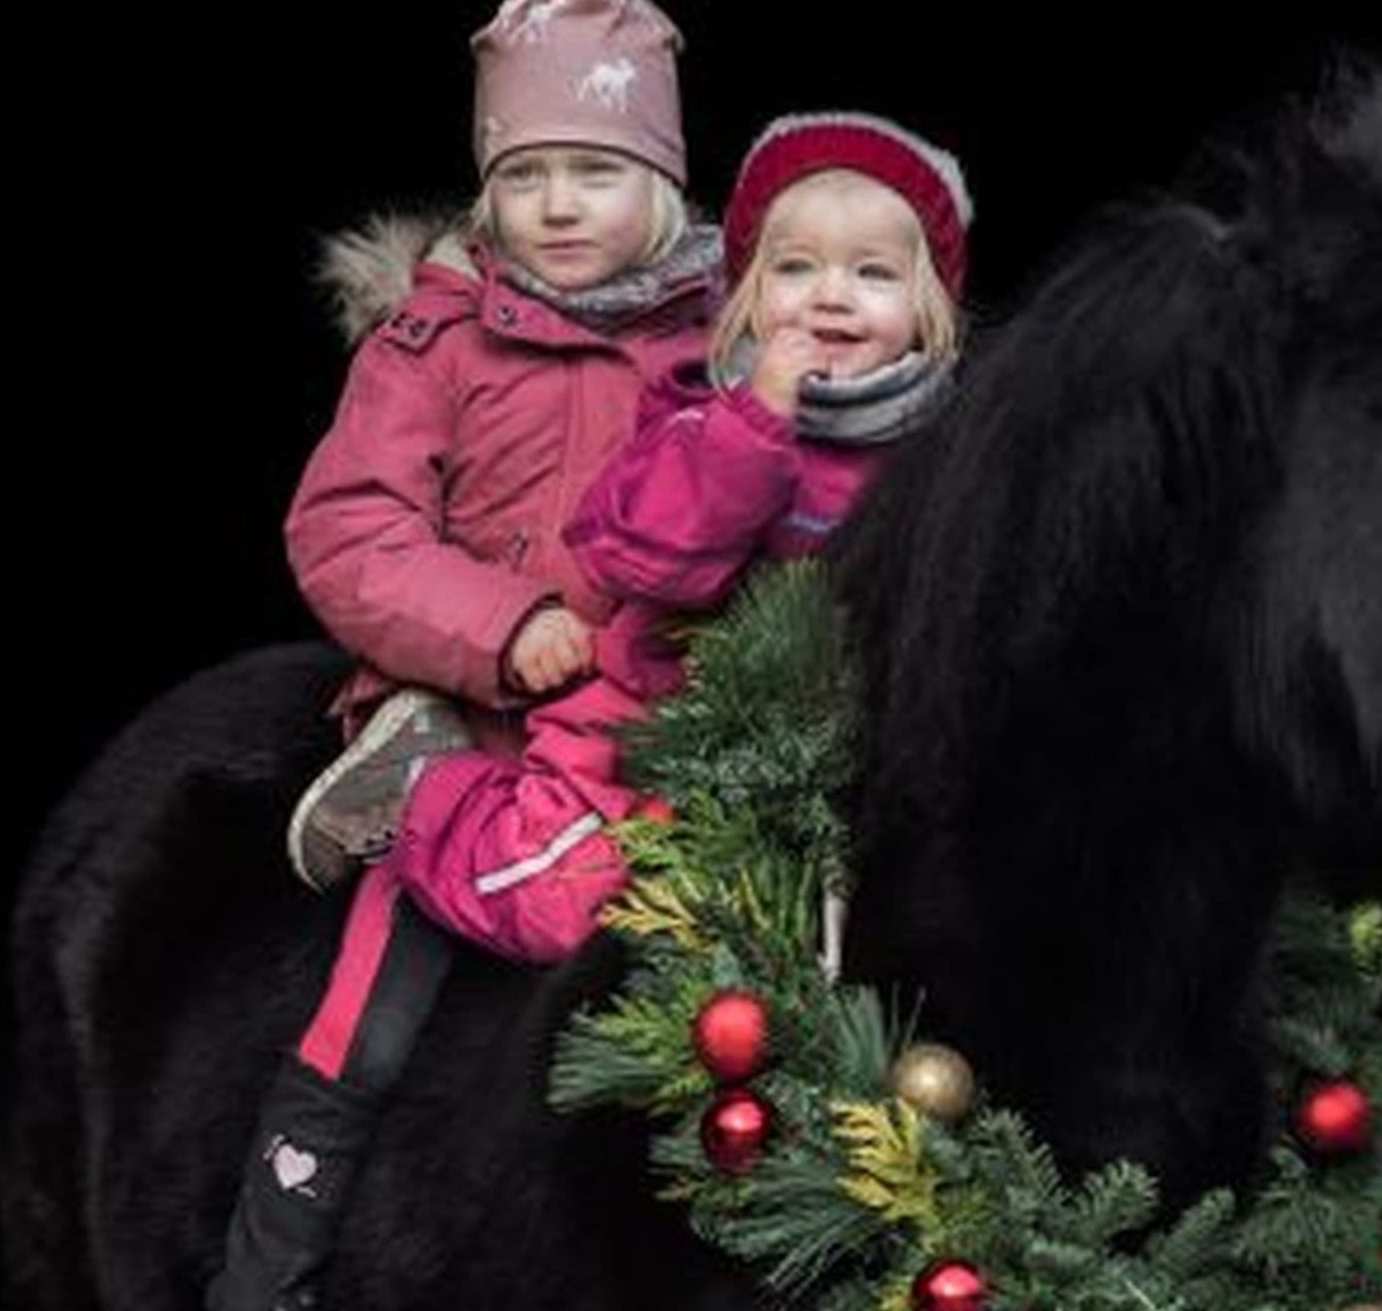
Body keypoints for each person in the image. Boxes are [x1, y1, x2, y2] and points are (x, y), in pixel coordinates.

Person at [140, 0, 718, 1311]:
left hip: (666, 754)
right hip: (473, 744)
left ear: (659, 183)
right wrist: (496, 628)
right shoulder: (435, 346)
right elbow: (347, 528)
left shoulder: (722, 349)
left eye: (593, 170)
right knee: (358, 1029)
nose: (553, 204)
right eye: (521, 173)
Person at [391, 111, 973, 963]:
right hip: (651, 733)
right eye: (796, 268)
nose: (831, 295)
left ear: (928, 311)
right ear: (745, 293)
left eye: (874, 273)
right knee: (555, 902)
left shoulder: (948, 452)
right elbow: (647, 557)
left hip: (837, 768)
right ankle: (423, 794)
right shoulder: (696, 410)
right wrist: (755, 423)